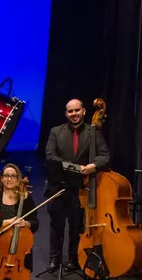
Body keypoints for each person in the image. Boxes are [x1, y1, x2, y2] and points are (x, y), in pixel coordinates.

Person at [44, 99, 110, 270]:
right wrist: (75, 168)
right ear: (66, 113)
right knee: (56, 224)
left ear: (84, 111)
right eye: (70, 111)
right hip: (58, 185)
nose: (74, 114)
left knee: (76, 225)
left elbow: (105, 155)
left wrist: (92, 166)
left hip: (81, 188)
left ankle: (73, 259)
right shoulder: (56, 132)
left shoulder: (93, 132)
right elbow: (51, 156)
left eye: (77, 110)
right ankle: (55, 258)